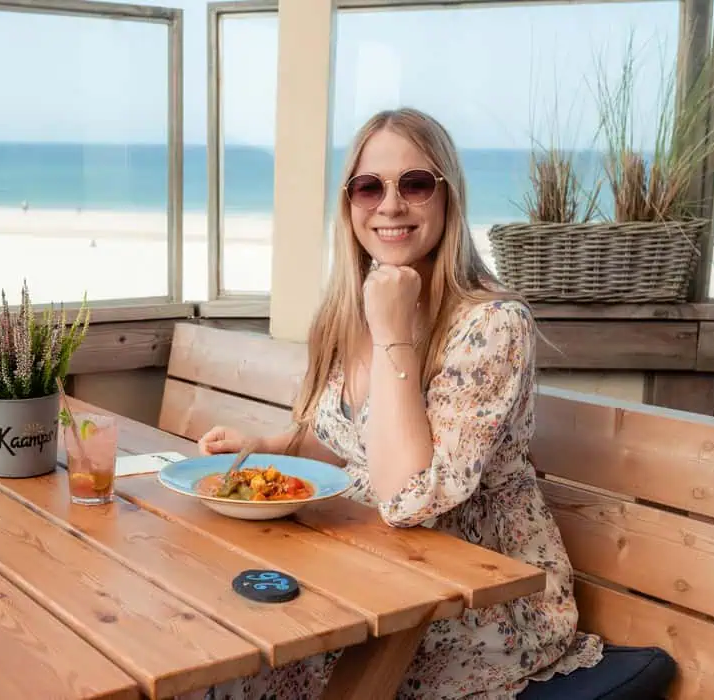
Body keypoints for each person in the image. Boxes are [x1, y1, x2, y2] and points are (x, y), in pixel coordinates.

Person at [193, 108, 605, 699]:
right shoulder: (348, 309)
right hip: (366, 562)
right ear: (349, 204)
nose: (389, 205)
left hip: (472, 598)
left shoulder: (492, 325)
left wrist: (392, 336)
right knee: (207, 634)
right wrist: (272, 447)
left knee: (245, 668)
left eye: (414, 184)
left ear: (448, 198)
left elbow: (407, 496)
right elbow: (347, 440)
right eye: (369, 187)